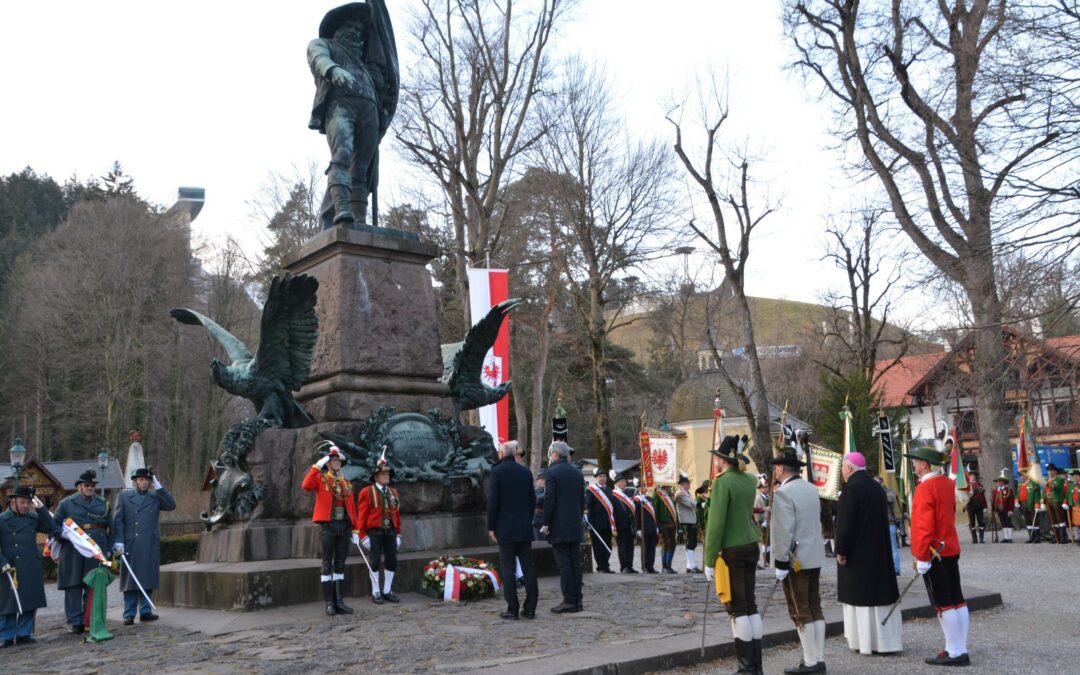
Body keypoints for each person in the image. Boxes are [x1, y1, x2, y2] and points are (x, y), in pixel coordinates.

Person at [308, 1, 398, 229]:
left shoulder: (365, 65)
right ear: (338, 28)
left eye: (360, 30)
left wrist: (384, 109)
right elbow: (318, 59)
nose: (357, 34)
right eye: (352, 28)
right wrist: (333, 70)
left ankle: (359, 219)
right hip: (340, 107)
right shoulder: (324, 45)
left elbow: (382, 83)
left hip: (369, 112)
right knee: (342, 155)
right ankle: (342, 210)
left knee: (361, 170)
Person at [703, 435, 764, 675]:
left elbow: (716, 524)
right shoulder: (749, 480)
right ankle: (756, 665)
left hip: (733, 549)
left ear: (722, 460)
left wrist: (708, 560)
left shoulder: (721, 483)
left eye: (716, 457)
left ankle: (747, 668)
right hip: (750, 543)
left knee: (737, 608)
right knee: (750, 604)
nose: (715, 461)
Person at [905, 445, 969, 667]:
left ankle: (954, 650)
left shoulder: (925, 488)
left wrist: (922, 556)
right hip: (949, 547)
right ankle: (961, 647)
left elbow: (923, 527)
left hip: (934, 553)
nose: (913, 465)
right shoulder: (946, 484)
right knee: (957, 599)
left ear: (924, 464)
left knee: (943, 603)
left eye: (916, 462)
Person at [837, 454, 902, 657]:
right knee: (879, 593)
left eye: (843, 467)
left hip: (858, 553)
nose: (842, 471)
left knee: (862, 597)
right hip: (879, 550)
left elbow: (845, 525)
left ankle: (863, 641)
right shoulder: (876, 487)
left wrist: (841, 550)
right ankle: (886, 641)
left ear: (849, 468)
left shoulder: (850, 490)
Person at [769, 447, 827, 674]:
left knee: (800, 610)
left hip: (796, 559)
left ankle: (811, 661)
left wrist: (780, 561)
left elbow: (784, 531)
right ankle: (818, 659)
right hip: (814, 554)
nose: (775, 471)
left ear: (782, 469)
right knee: (815, 607)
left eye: (776, 467)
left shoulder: (783, 493)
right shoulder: (812, 489)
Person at [301, 444, 359, 615]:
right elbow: (306, 485)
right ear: (328, 463)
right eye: (333, 460)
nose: (337, 463)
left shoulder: (345, 483)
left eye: (338, 461)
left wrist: (355, 530)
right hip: (328, 526)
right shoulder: (321, 479)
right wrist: (318, 465)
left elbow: (352, 508)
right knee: (327, 564)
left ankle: (339, 601)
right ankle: (329, 603)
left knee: (340, 564)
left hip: (343, 527)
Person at [113, 467, 176, 624]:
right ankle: (129, 613)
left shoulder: (155, 497)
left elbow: (171, 505)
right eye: (141, 480)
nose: (144, 483)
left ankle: (146, 611)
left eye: (147, 480)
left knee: (147, 576)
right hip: (130, 543)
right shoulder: (124, 497)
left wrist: (159, 486)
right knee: (130, 580)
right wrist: (118, 540)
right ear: (135, 481)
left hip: (149, 543)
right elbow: (118, 520)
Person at [53, 470, 113, 634]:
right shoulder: (66, 504)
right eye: (87, 485)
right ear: (79, 487)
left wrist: (109, 549)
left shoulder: (103, 503)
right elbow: (54, 526)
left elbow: (111, 527)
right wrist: (63, 534)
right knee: (73, 585)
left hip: (96, 548)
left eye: (93, 486)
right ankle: (75, 621)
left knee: (93, 584)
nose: (90, 488)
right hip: (73, 548)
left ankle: (90, 619)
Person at [487, 440, 538, 620]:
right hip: (524, 527)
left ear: (501, 454)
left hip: (505, 528)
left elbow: (493, 502)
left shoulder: (497, 472)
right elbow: (532, 501)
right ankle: (530, 608)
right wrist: (527, 518)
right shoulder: (525, 472)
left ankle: (512, 609)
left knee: (508, 569)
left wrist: (491, 526)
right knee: (528, 567)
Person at [1, 486, 57, 647]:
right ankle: (6, 635)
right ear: (13, 502)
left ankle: (24, 633)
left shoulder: (32, 518)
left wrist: (41, 509)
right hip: (9, 567)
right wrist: (2, 562)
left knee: (30, 600)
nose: (26, 506)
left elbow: (51, 527)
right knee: (8, 603)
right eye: (22, 502)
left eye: (28, 503)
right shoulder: (2, 520)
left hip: (30, 564)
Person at [541, 441, 585, 613]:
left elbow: (549, 500)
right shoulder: (576, 472)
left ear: (555, 454)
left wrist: (546, 523)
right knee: (575, 563)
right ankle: (577, 600)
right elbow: (582, 500)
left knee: (564, 565)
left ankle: (569, 600)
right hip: (574, 523)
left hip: (559, 525)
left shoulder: (552, 473)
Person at [356, 458, 402, 604]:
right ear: (376, 477)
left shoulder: (394, 492)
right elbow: (362, 515)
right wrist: (362, 536)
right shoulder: (366, 492)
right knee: (374, 561)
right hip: (374, 532)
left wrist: (398, 533)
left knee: (392, 560)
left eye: (388, 474)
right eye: (383, 474)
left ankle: (387, 590)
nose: (386, 476)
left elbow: (397, 514)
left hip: (391, 531)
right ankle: (376, 591)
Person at [585, 468, 615, 573]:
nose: (602, 478)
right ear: (596, 478)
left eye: (604, 476)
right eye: (600, 477)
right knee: (598, 546)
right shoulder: (591, 490)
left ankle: (606, 565)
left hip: (608, 523)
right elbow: (587, 506)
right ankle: (601, 567)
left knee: (608, 545)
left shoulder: (610, 490)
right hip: (595, 523)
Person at [610, 471, 638, 573]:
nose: (624, 483)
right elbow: (612, 511)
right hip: (620, 525)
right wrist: (613, 525)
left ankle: (629, 565)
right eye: (621, 481)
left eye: (625, 481)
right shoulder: (613, 495)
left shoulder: (628, 493)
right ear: (616, 483)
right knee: (622, 546)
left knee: (630, 546)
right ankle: (624, 566)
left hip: (630, 524)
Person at [873, 475, 901, 573]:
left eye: (877, 483)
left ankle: (896, 569)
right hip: (878, 524)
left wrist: (878, 493)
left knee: (893, 547)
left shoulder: (889, 491)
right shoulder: (874, 493)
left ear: (882, 483)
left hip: (890, 523)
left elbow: (891, 498)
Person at [675, 474, 700, 572]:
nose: (689, 484)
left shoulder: (686, 492)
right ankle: (690, 565)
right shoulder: (680, 494)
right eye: (688, 483)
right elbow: (689, 503)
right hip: (686, 521)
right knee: (690, 542)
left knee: (693, 542)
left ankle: (691, 564)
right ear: (683, 484)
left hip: (691, 520)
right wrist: (699, 504)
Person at [653, 485, 679, 573]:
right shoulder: (657, 494)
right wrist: (657, 525)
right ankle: (664, 566)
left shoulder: (670, 495)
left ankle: (669, 565)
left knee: (673, 544)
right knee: (665, 544)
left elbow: (674, 511)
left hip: (672, 523)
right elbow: (655, 510)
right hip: (663, 523)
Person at [634, 486, 659, 574]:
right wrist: (637, 528)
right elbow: (636, 515)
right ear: (638, 489)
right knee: (645, 548)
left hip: (652, 526)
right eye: (641, 487)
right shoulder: (636, 499)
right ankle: (645, 567)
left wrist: (656, 526)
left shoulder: (650, 499)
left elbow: (654, 513)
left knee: (652, 548)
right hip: (643, 527)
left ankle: (651, 566)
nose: (643, 488)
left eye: (644, 486)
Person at [1044, 464, 1070, 544]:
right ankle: (1056, 537)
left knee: (1060, 519)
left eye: (1052, 471)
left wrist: (1049, 483)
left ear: (1055, 472)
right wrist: (1042, 500)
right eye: (1049, 471)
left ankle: (1063, 537)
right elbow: (1044, 490)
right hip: (1049, 501)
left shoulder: (1059, 479)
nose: (1050, 472)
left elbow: (1056, 487)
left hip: (1057, 501)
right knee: (1053, 520)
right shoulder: (1047, 479)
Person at [1019, 469, 1044, 543]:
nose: (1021, 477)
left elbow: (1037, 494)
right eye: (1021, 476)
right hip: (1023, 505)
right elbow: (1018, 493)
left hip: (1032, 505)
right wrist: (1017, 500)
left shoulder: (1033, 483)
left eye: (1023, 475)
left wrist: (1037, 504)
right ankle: (1031, 537)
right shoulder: (1020, 484)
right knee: (1028, 521)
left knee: (1035, 521)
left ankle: (1037, 537)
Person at [991, 472, 1015, 543]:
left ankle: (1010, 538)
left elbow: (1011, 501)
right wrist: (993, 510)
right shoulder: (995, 491)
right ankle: (1005, 537)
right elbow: (993, 501)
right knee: (1003, 523)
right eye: (999, 481)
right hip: (999, 509)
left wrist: (1011, 510)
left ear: (1004, 482)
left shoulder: (1008, 490)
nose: (999, 482)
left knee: (1008, 523)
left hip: (1007, 509)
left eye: (1001, 481)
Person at [964, 472, 987, 544]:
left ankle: (981, 538)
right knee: (972, 523)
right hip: (970, 506)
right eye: (970, 476)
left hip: (979, 506)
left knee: (981, 522)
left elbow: (983, 496)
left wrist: (985, 506)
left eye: (973, 475)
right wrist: (975, 490)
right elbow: (966, 495)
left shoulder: (979, 484)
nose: (972, 477)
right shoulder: (966, 485)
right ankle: (974, 538)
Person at [753, 477, 770, 569]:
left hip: (769, 522)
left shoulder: (769, 497)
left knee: (769, 542)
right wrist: (760, 521)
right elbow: (755, 511)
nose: (765, 489)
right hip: (762, 522)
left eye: (766, 487)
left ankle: (768, 559)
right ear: (759, 489)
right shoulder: (758, 499)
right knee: (764, 541)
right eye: (763, 488)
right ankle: (765, 559)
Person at [1065, 469, 1080, 546]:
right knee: (1076, 523)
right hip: (1074, 506)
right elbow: (1067, 495)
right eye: (1074, 476)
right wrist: (1065, 503)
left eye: (1077, 476)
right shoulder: (1071, 485)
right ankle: (1078, 538)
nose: (1075, 478)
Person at [532, 472, 546, 541]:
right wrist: (547, 493)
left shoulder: (548, 490)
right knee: (539, 542)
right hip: (537, 520)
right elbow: (537, 501)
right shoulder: (534, 490)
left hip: (547, 521)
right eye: (542, 479)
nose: (544, 481)